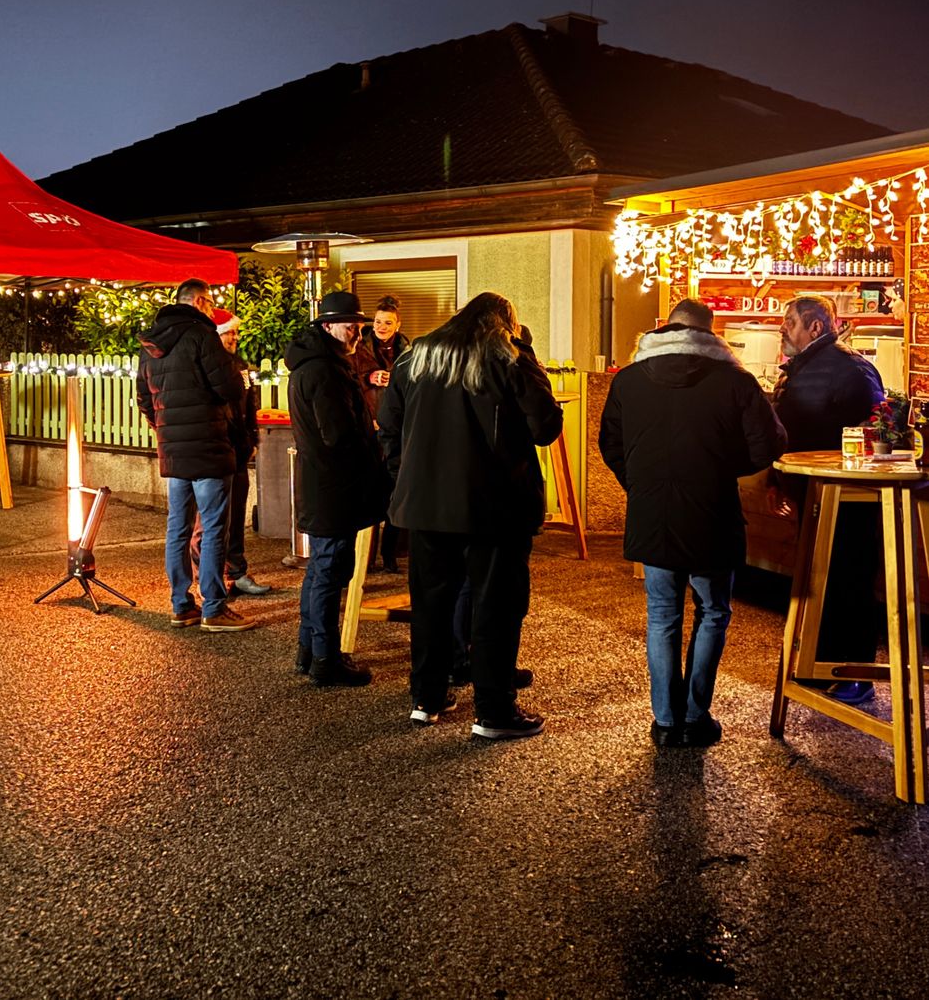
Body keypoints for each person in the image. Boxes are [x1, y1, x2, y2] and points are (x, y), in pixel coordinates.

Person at [599, 299, 787, 747]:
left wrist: (641, 484)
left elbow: (611, 444)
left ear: (666, 328)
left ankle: (666, 722)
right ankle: (695, 715)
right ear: (711, 332)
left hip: (653, 514)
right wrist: (720, 466)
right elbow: (768, 445)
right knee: (713, 611)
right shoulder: (736, 380)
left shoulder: (628, 379)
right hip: (713, 513)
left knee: (662, 615)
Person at [378, 292, 562, 740]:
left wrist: (405, 477)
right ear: (506, 323)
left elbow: (389, 424)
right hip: (493, 507)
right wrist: (530, 357)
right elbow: (545, 427)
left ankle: (427, 697)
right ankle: (494, 710)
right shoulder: (511, 357)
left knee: (431, 604)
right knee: (496, 607)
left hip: (425, 506)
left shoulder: (413, 359)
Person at [772, 293, 884, 704]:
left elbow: (874, 435)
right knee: (823, 580)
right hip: (816, 490)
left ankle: (854, 674)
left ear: (815, 327)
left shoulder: (850, 370)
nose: (782, 328)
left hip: (848, 494)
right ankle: (823, 669)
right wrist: (777, 479)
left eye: (789, 322)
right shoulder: (806, 367)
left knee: (847, 580)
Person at [285, 290, 391, 687]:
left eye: (359, 325)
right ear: (327, 326)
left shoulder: (315, 365)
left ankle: (310, 651)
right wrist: (373, 442)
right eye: (351, 324)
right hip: (334, 485)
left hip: (324, 484)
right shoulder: (325, 371)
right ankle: (326, 658)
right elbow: (338, 434)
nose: (357, 332)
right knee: (330, 571)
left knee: (320, 571)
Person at [137, 279, 254, 633]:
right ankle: (214, 608)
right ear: (200, 302)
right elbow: (229, 387)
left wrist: (164, 430)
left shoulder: (150, 345)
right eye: (210, 304)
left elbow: (144, 398)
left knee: (178, 528)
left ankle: (181, 605)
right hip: (208, 445)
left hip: (173, 448)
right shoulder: (203, 336)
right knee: (215, 527)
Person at [187, 308, 271, 598]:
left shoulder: (242, 365)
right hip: (215, 450)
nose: (233, 338)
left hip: (239, 448)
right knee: (209, 519)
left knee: (235, 516)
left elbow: (250, 404)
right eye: (228, 333)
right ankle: (204, 576)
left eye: (235, 332)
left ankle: (236, 572)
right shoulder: (205, 366)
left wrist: (253, 438)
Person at [352, 295, 411, 572]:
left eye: (387, 322)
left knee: (395, 492)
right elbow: (350, 380)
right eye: (377, 321)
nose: (381, 326)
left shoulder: (407, 351)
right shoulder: (358, 347)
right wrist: (369, 378)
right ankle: (363, 556)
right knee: (368, 494)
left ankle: (391, 554)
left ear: (397, 325)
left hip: (397, 430)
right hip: (368, 428)